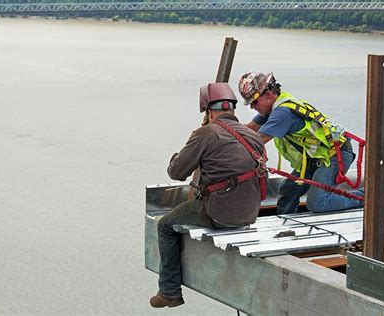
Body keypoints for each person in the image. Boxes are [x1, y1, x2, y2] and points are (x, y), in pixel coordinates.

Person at [149, 82, 266, 308]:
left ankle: (169, 291)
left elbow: (177, 172)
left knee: (165, 225)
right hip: (250, 214)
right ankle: (169, 291)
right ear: (232, 109)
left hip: (219, 214)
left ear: (208, 111)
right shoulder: (252, 136)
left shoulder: (206, 133)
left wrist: (180, 153)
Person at [238, 71, 363, 215]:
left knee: (317, 203)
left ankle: (365, 197)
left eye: (254, 102)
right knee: (289, 191)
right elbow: (248, 129)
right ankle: (287, 225)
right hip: (316, 157)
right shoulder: (273, 107)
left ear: (268, 94)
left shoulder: (282, 113)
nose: (252, 108)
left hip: (336, 155)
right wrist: (222, 126)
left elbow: (255, 142)